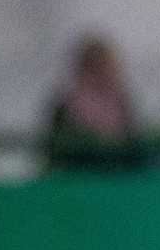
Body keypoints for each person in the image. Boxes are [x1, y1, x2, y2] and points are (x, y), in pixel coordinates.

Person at [42, 34, 143, 172]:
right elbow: (53, 151)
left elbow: (134, 143)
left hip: (116, 178)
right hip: (76, 178)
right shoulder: (66, 105)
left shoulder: (121, 102)